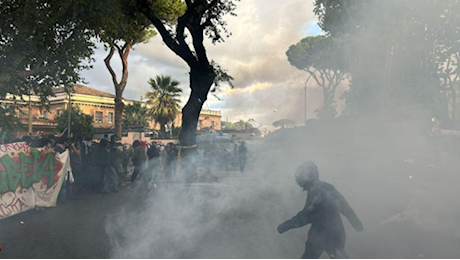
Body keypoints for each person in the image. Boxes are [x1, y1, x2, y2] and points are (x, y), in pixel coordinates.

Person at [278, 162, 364, 259]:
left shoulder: (316, 191)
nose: (297, 178)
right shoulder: (325, 188)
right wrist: (356, 224)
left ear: (308, 176)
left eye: (300, 174)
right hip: (330, 234)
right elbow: (344, 207)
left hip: (323, 235)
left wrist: (286, 225)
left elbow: (305, 216)